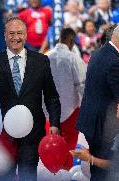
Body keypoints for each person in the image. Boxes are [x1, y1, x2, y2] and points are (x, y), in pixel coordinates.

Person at [0, 17, 61, 181]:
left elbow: (52, 96)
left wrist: (55, 124)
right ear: (5, 35)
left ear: (26, 35)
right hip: (3, 136)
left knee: (28, 177)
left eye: (20, 33)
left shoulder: (41, 61)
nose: (16, 37)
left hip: (32, 135)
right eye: (12, 33)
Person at [76, 23, 119, 181]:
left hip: (92, 124)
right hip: (106, 129)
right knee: (107, 173)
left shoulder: (98, 53)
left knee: (97, 171)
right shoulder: (115, 63)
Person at [46, 27, 86, 169]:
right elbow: (82, 86)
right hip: (70, 111)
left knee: (51, 146)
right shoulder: (74, 58)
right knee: (68, 147)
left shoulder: (46, 56)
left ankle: (51, 175)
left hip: (49, 113)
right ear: (71, 41)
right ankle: (66, 174)